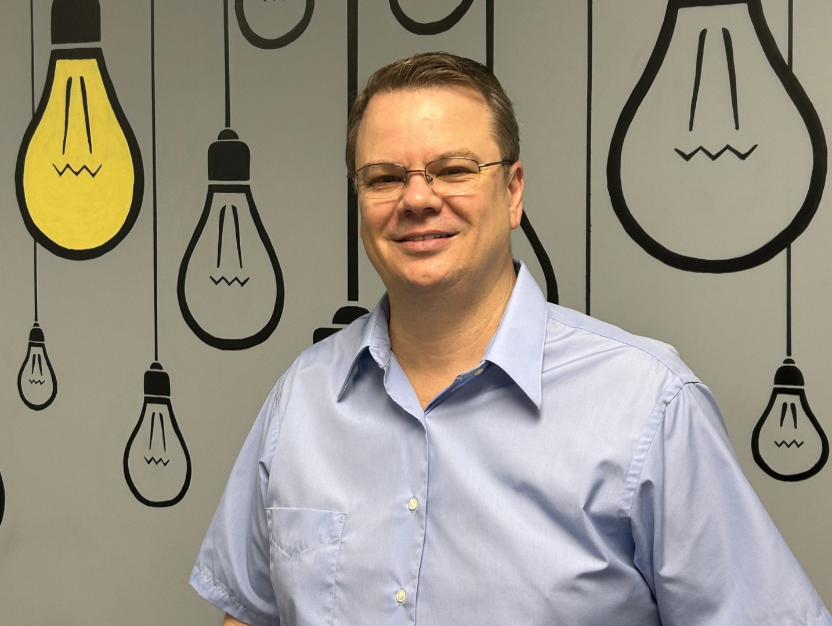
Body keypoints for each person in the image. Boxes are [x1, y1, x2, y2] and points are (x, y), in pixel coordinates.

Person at [190, 52, 831, 626]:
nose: (417, 199)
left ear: (514, 189)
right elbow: (249, 614)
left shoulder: (649, 406)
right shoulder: (302, 399)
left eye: (453, 169)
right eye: (384, 177)